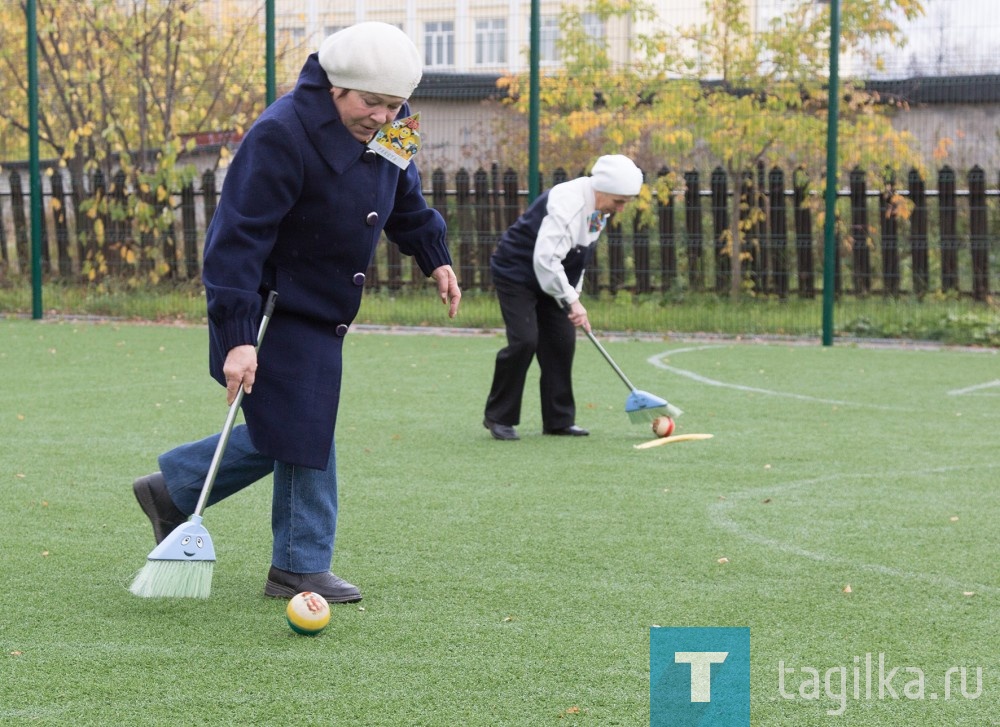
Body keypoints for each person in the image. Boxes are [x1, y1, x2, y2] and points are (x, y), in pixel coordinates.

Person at [132, 22, 461, 602]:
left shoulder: (396, 124)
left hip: (323, 305)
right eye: (371, 103)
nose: (383, 117)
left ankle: (175, 487)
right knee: (307, 421)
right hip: (268, 308)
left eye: (394, 105)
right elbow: (235, 240)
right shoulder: (280, 135)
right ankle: (299, 566)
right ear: (335, 87)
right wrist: (237, 337)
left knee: (293, 423)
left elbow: (404, 195)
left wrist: (434, 258)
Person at [482, 155, 643, 441]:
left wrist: (574, 298)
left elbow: (579, 256)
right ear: (601, 188)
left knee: (561, 342)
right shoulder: (567, 203)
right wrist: (572, 299)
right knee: (525, 340)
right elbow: (545, 260)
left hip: (554, 276)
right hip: (517, 271)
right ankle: (499, 418)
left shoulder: (599, 211)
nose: (620, 208)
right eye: (619, 201)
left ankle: (558, 421)